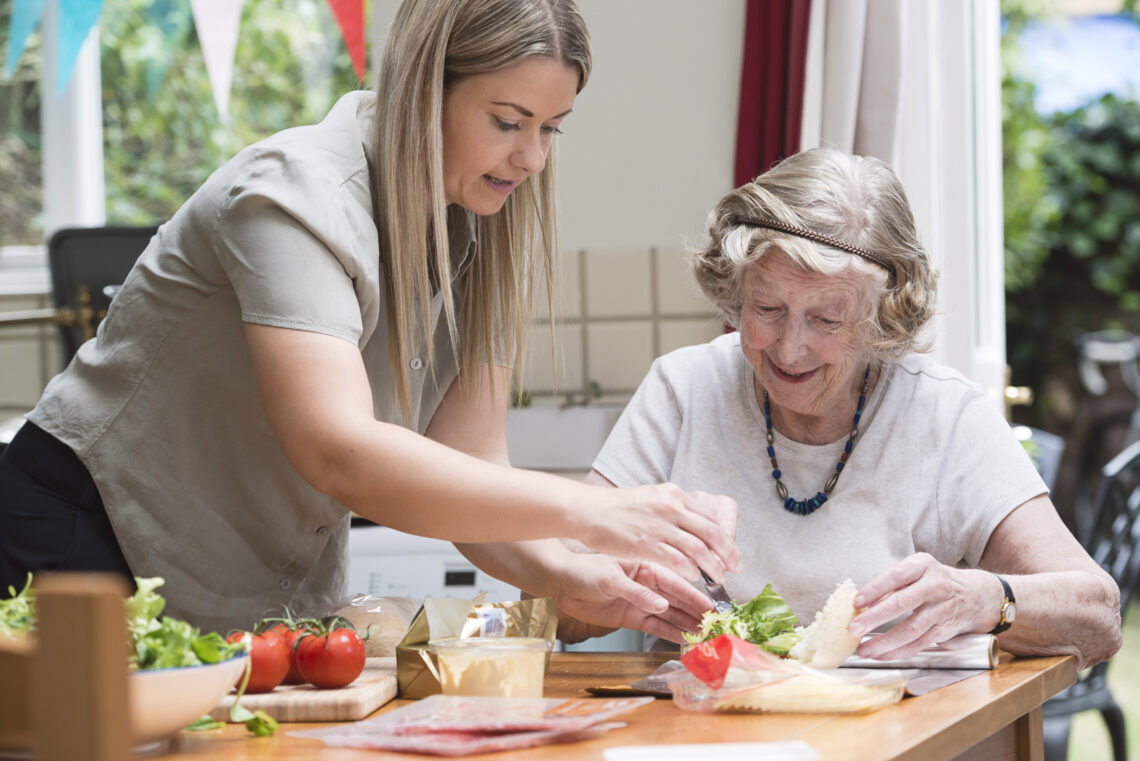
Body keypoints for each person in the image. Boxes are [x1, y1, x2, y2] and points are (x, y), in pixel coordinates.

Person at [0, 0, 739, 636]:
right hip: (78, 531)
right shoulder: (292, 197)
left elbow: (474, 469)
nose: (532, 159)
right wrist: (594, 513)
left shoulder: (484, 228)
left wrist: (571, 574)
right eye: (510, 121)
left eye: (552, 128)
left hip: (227, 580)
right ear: (423, 90)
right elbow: (339, 452)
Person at [565, 147, 1121, 669]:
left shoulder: (944, 416)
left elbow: (1098, 614)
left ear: (884, 319)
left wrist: (982, 597)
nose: (788, 347)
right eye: (767, 307)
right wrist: (625, 581)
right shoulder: (682, 389)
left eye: (826, 320)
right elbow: (553, 597)